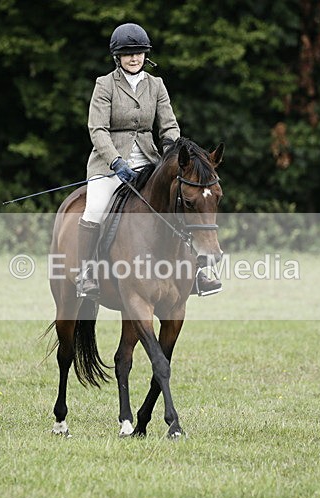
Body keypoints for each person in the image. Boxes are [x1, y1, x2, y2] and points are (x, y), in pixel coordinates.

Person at [76, 22, 222, 299]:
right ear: (117, 57)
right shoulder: (104, 85)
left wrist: (171, 151)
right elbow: (97, 129)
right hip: (109, 165)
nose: (134, 58)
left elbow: (168, 126)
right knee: (94, 208)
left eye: (139, 53)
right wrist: (116, 161)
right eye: (128, 53)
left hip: (148, 160)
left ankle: (197, 273)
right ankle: (87, 273)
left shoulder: (156, 85)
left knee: (181, 203)